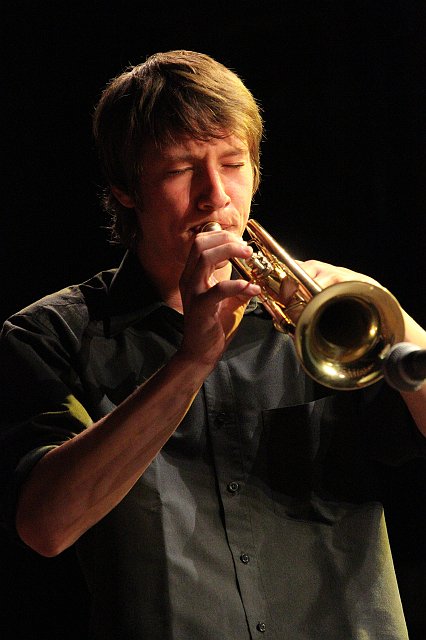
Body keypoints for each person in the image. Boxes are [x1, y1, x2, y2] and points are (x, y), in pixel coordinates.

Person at [0, 50, 425, 640]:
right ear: (125, 189)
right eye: (181, 169)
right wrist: (192, 361)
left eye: (233, 163)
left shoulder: (329, 320)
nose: (216, 196)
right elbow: (46, 528)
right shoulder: (49, 335)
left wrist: (398, 322)